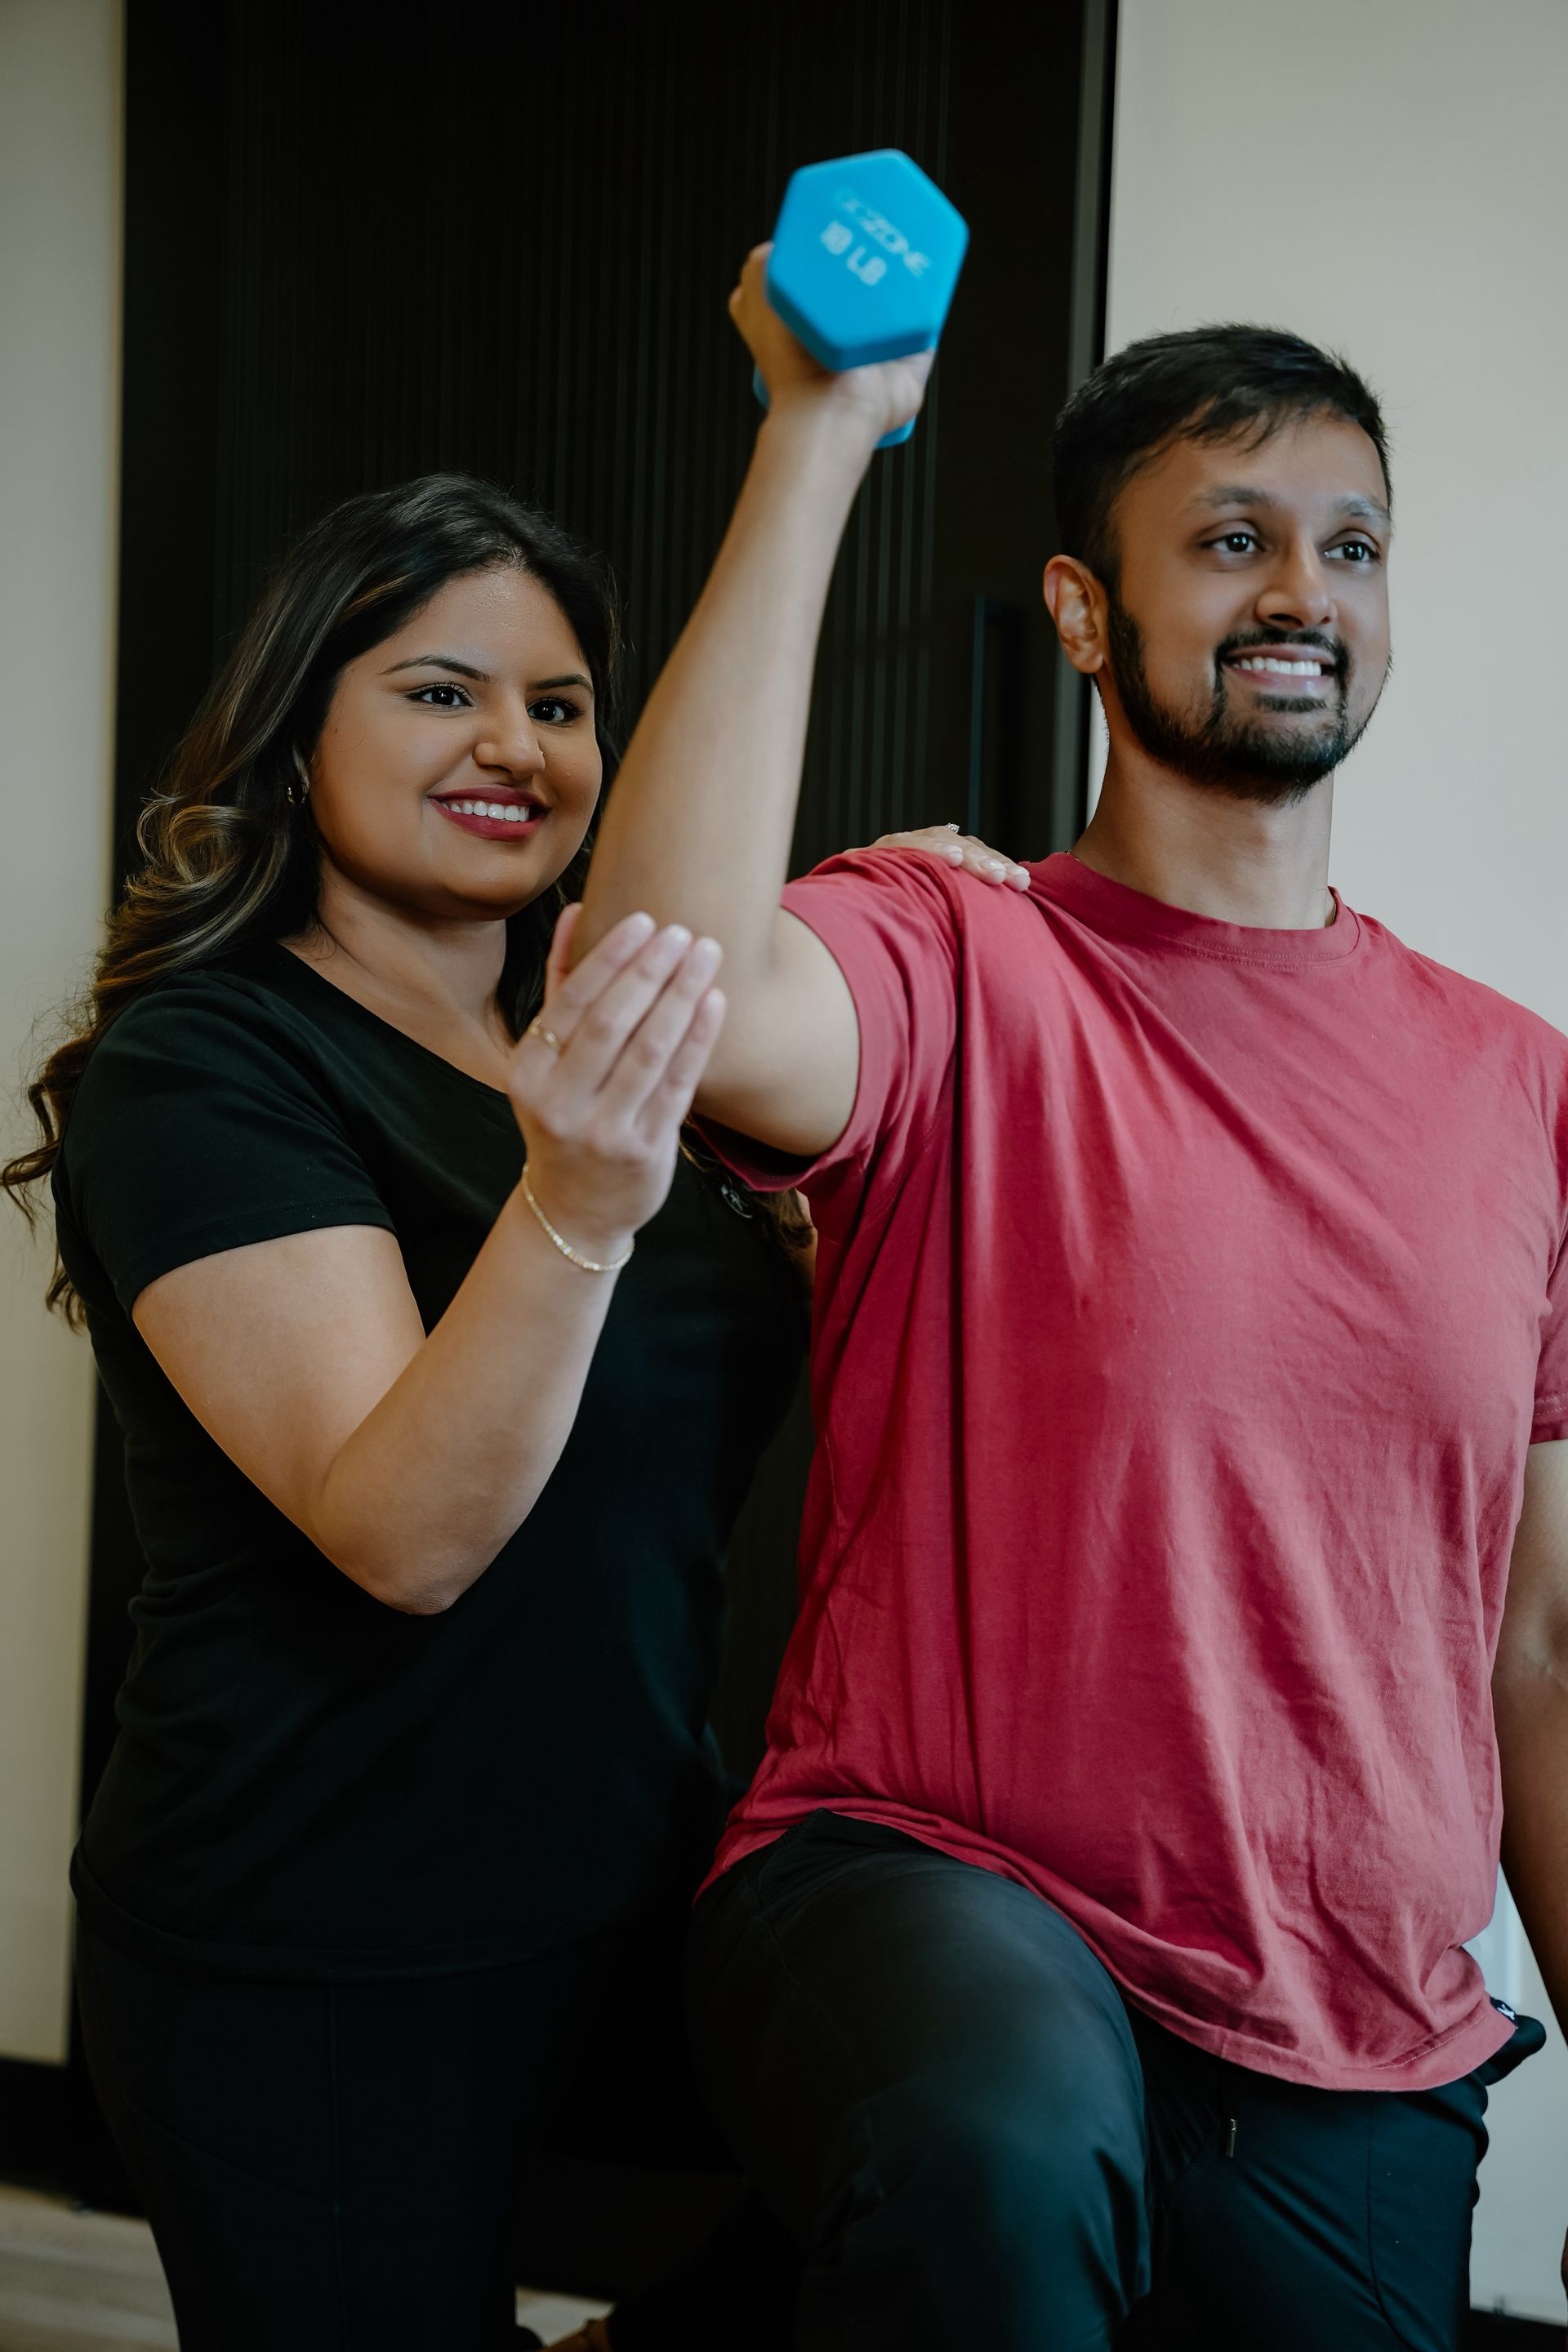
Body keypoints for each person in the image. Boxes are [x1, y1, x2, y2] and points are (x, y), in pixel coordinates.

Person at [568, 260, 1568, 2350]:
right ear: (1083, 611)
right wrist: (817, 425)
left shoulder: (1519, 1084)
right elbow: (666, 966)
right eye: (1231, 537)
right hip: (928, 1886)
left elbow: (1543, 1641)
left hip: (1352, 2029)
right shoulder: (960, 954)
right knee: (1006, 2171)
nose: (1303, 587)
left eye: (1350, 544)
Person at [0, 470, 1024, 2352]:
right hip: (313, 1943)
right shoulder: (203, 1069)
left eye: (560, 707)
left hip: (637, 1879)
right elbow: (404, 1533)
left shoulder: (620, 1056)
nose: (515, 745)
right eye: (440, 689)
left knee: (959, 2184)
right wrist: (580, 1195)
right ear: (302, 734)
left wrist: (908, 956)